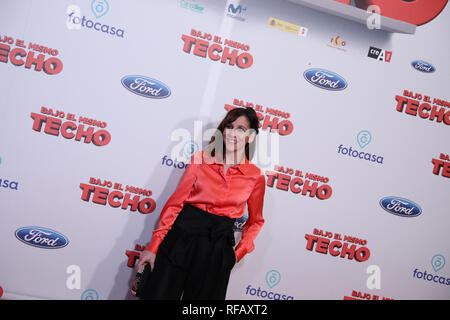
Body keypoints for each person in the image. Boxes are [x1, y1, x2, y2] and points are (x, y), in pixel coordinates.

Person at [136, 107, 266, 300]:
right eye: (229, 127)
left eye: (241, 129)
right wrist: (153, 246)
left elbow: (256, 221)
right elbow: (175, 205)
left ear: (251, 137)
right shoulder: (200, 159)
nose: (232, 133)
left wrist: (237, 254)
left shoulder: (255, 177)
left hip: (216, 251)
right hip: (180, 240)